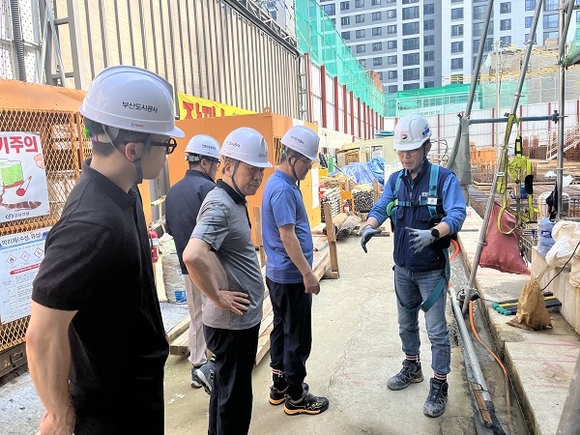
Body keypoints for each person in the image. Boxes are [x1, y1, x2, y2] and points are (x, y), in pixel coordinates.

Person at [25, 65, 184, 434]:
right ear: (133, 149)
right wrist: (59, 415)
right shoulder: (91, 225)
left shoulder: (124, 193)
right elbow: (42, 334)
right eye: (164, 144)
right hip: (110, 411)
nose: (166, 153)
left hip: (135, 392)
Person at [360, 113, 466, 418]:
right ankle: (412, 366)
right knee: (405, 324)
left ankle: (439, 383)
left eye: (412, 150)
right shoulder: (395, 180)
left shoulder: (443, 179)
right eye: (402, 151)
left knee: (437, 331)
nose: (406, 156)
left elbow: (457, 213)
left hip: (431, 272)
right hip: (403, 269)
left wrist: (434, 233)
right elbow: (383, 205)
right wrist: (370, 224)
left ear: (427, 147)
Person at [182, 127, 272, 435]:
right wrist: (217, 296)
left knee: (226, 393)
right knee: (235, 401)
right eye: (251, 169)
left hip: (237, 322)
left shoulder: (234, 200)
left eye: (260, 170)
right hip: (231, 325)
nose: (257, 177)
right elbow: (192, 255)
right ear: (228, 166)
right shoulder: (220, 204)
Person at [261, 125, 329, 416]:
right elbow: (287, 236)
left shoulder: (280, 183)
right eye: (307, 162)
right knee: (297, 336)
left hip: (280, 274)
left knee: (281, 329)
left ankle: (280, 386)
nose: (309, 168)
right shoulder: (283, 190)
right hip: (290, 276)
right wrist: (308, 273)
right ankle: (297, 396)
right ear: (292, 157)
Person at [165, 134, 221, 393]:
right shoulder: (209, 190)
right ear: (205, 162)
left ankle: (197, 365)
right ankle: (214, 363)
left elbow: (169, 228)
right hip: (209, 264)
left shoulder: (173, 191)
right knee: (217, 312)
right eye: (216, 164)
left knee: (196, 314)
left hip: (186, 264)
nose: (216, 169)